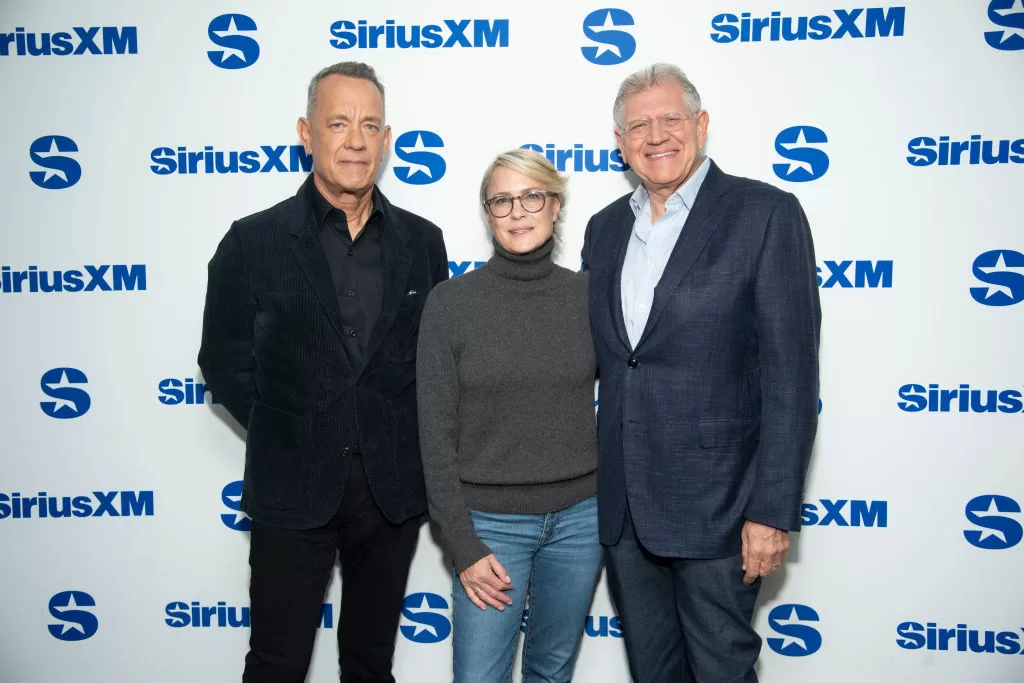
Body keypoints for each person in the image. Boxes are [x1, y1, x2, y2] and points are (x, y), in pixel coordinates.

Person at [197, 61, 448, 683]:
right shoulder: (253, 242)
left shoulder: (424, 242)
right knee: (277, 663)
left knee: (370, 662)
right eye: (339, 123)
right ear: (307, 133)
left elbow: (432, 362)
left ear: (387, 140)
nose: (355, 140)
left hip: (389, 495)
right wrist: (291, 430)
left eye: (370, 125)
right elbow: (223, 362)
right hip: (291, 490)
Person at [581, 63, 821, 682]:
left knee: (721, 671)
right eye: (639, 125)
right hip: (627, 513)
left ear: (701, 125)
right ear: (620, 143)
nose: (656, 135)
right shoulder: (603, 229)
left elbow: (791, 380)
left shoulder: (765, 214)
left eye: (670, 119)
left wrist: (771, 511)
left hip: (723, 510)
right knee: (653, 673)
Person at [416, 149, 602, 683]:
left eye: (531, 197)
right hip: (489, 527)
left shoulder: (588, 296)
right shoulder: (451, 303)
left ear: (555, 205)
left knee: (551, 672)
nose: (518, 212)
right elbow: (434, 434)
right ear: (487, 212)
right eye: (502, 200)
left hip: (580, 523)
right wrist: (463, 545)